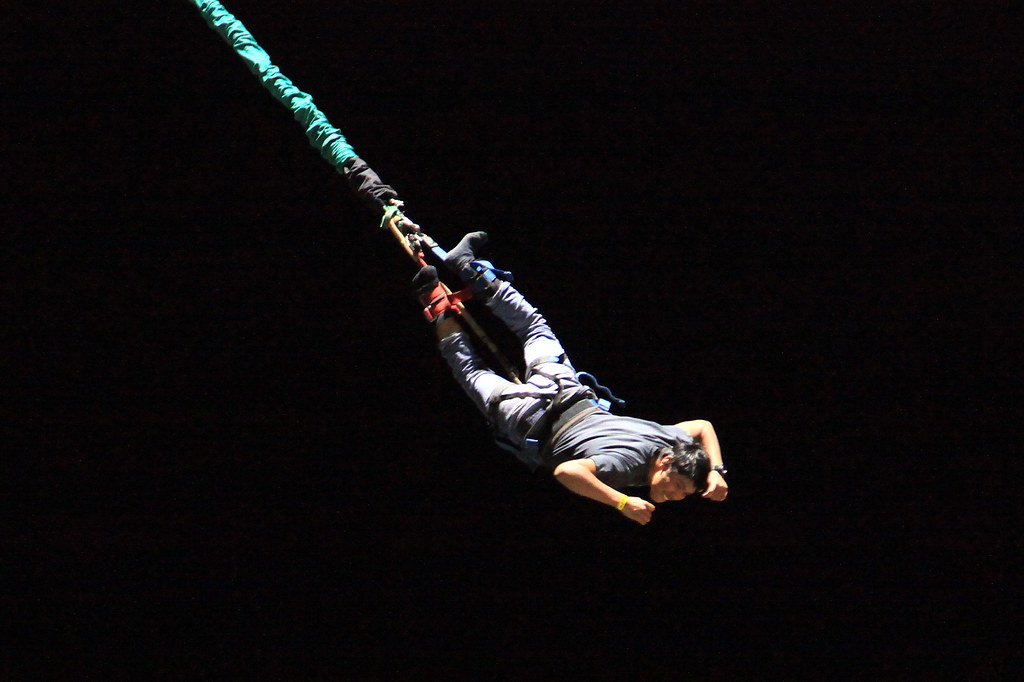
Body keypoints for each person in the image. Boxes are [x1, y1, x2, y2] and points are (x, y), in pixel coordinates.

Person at [413, 232, 728, 525]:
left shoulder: (672, 440)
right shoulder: (626, 466)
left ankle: (464, 273)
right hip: (530, 415)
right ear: (666, 463)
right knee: (473, 370)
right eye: (678, 486)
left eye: (684, 494)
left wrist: (716, 470)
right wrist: (621, 502)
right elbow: (567, 471)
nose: (676, 495)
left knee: (531, 328)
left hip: (562, 390)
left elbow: (702, 427)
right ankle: (438, 299)